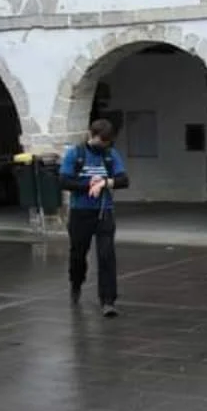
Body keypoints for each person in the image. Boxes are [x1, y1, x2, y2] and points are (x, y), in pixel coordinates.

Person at [58, 118, 130, 318]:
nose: (103, 145)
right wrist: (89, 184)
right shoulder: (76, 154)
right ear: (91, 135)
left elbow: (124, 180)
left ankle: (108, 301)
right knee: (78, 254)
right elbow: (64, 181)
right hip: (80, 212)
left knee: (107, 256)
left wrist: (104, 182)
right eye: (100, 141)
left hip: (104, 211)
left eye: (107, 142)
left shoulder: (110, 154)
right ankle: (76, 282)